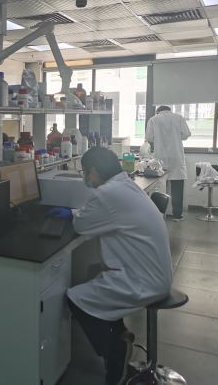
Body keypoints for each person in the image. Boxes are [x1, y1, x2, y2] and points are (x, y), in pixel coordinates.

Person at [49, 147, 173, 385]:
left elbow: (82, 226)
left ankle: (116, 355)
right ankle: (120, 336)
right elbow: (99, 215)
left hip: (144, 281)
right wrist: (74, 213)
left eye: (85, 173)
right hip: (154, 273)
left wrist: (71, 215)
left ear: (94, 172)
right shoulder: (124, 186)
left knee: (75, 298)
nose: (85, 179)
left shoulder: (108, 193)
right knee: (94, 273)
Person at [145, 106, 191, 221]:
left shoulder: (153, 119)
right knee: (177, 187)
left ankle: (160, 215)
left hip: (160, 157)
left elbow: (149, 138)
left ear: (158, 111)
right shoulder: (179, 118)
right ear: (170, 110)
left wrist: (160, 137)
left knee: (160, 186)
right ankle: (177, 215)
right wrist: (175, 136)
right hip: (176, 156)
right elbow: (186, 134)